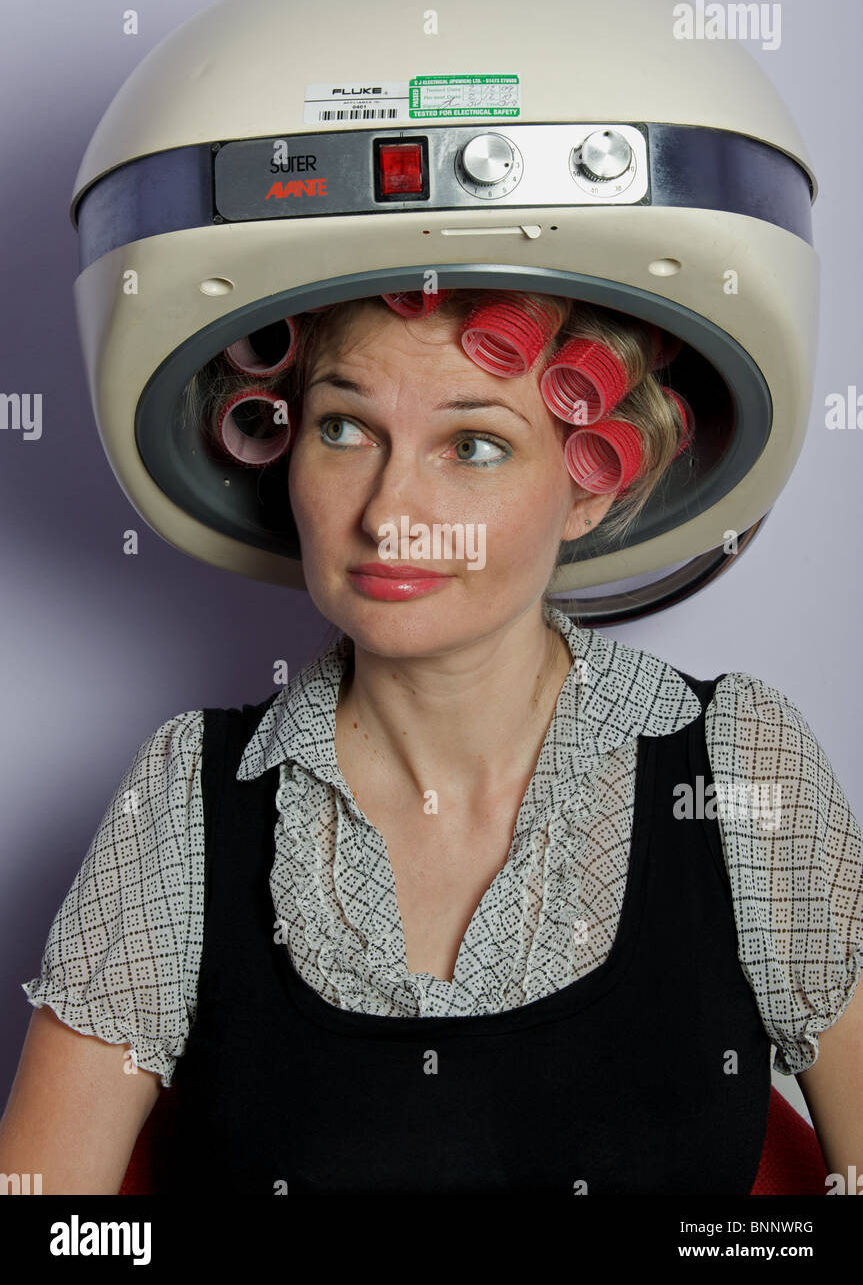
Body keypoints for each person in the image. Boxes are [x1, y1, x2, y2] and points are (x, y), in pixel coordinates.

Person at [1, 289, 861, 1194]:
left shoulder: (735, 762)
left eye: (473, 445)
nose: (390, 514)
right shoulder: (188, 791)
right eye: (342, 429)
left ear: (588, 490)